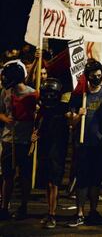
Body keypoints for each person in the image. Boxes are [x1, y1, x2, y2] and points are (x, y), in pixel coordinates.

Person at [67, 59, 102, 227]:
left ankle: (93, 211)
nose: (97, 79)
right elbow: (70, 123)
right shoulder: (79, 95)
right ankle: (79, 212)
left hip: (100, 144)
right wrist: (78, 115)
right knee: (83, 179)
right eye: (94, 76)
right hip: (83, 144)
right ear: (87, 77)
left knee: (96, 180)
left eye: (100, 76)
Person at [0, 60, 36, 220]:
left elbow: (39, 117)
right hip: (9, 139)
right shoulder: (5, 92)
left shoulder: (33, 94)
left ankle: (23, 206)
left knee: (24, 176)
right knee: (7, 175)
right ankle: (4, 206)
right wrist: (5, 119)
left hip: (25, 140)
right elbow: (0, 112)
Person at [32, 78, 69, 229]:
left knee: (54, 182)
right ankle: (49, 211)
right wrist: (36, 133)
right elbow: (38, 125)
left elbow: (70, 122)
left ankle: (52, 213)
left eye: (51, 94)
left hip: (57, 149)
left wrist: (76, 116)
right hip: (45, 147)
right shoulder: (42, 110)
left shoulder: (63, 108)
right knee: (47, 182)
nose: (48, 97)